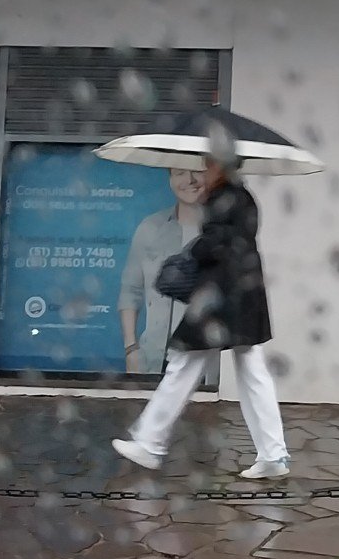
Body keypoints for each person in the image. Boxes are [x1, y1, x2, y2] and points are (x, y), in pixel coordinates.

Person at [112, 157, 289, 480]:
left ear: (222, 167)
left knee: (184, 363)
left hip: (220, 299)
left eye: (208, 165)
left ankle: (149, 443)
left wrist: (192, 251)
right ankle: (273, 454)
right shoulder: (241, 196)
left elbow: (219, 244)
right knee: (251, 371)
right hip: (239, 296)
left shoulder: (225, 197)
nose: (202, 172)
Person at [116, 168, 209, 374]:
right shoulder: (150, 228)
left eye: (197, 171)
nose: (190, 180)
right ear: (170, 179)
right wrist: (131, 349)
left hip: (205, 363)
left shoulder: (221, 232)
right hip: (154, 360)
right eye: (179, 173)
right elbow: (130, 291)